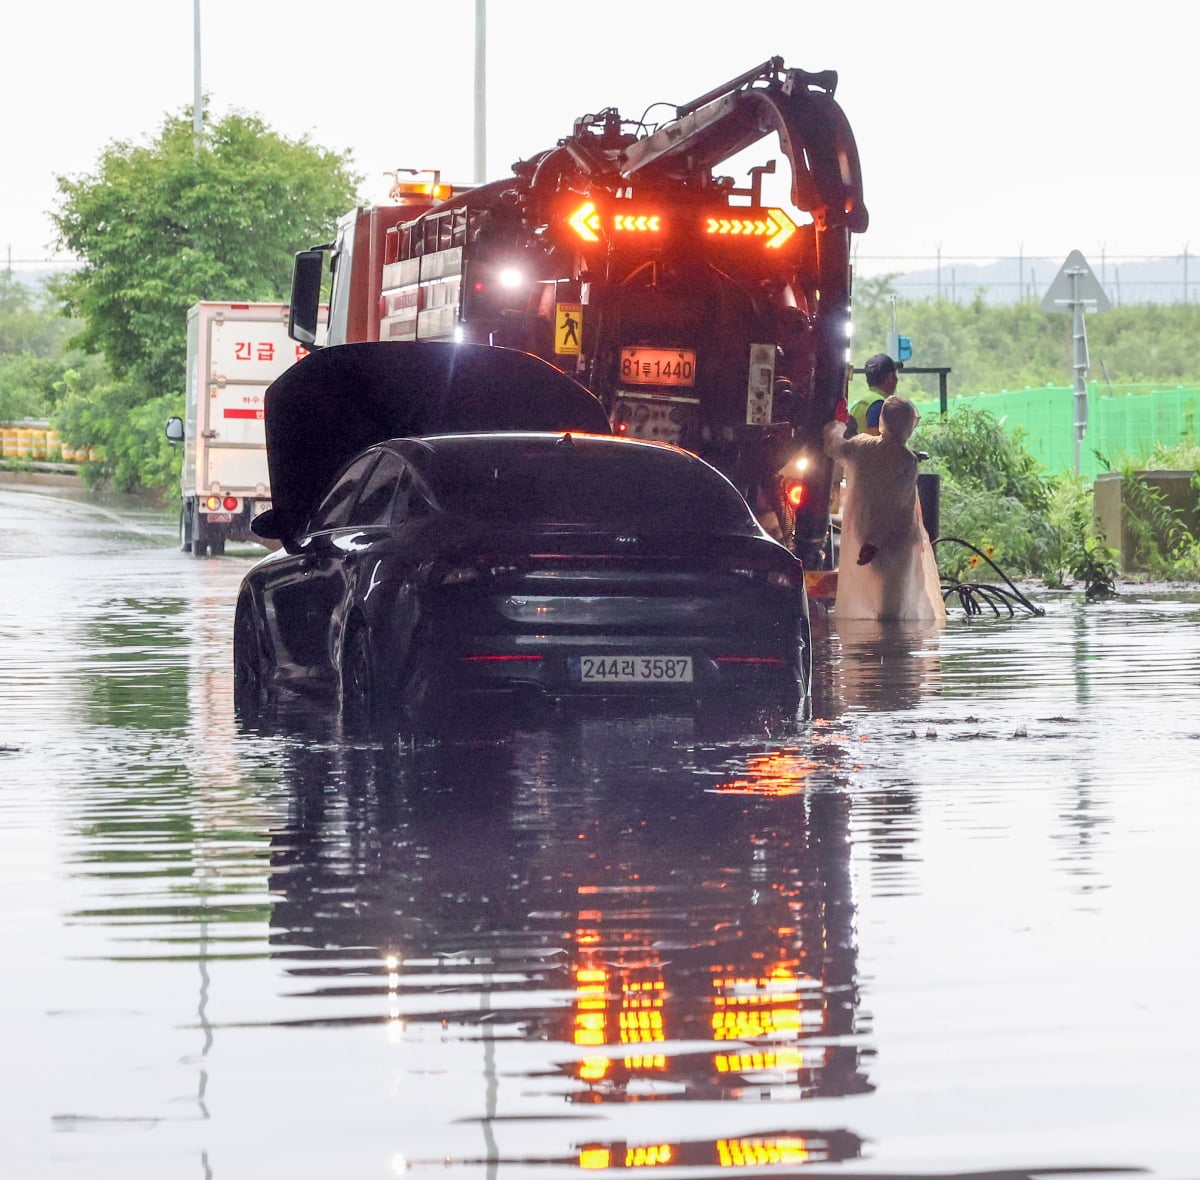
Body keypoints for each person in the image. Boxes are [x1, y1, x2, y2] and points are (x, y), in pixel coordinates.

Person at [823, 395, 945, 622]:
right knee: (894, 607)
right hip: (896, 543)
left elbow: (834, 447)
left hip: (865, 534)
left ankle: (878, 649)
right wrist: (875, 542)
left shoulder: (861, 446)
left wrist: (837, 422)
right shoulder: (907, 461)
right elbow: (895, 508)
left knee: (874, 596)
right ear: (908, 425)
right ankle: (892, 651)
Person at [847, 352, 900, 436]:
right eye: (894, 375)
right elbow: (877, 442)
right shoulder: (880, 405)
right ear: (890, 378)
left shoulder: (859, 404)